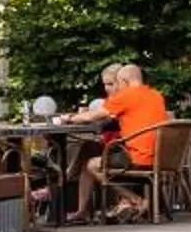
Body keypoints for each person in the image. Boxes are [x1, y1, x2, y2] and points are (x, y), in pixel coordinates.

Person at [66, 64, 169, 221]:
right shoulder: (156, 95)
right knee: (90, 152)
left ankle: (136, 200)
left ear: (124, 80)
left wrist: (68, 118)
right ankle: (82, 211)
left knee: (91, 165)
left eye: (117, 83)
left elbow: (90, 117)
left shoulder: (127, 95)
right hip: (159, 156)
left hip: (138, 157)